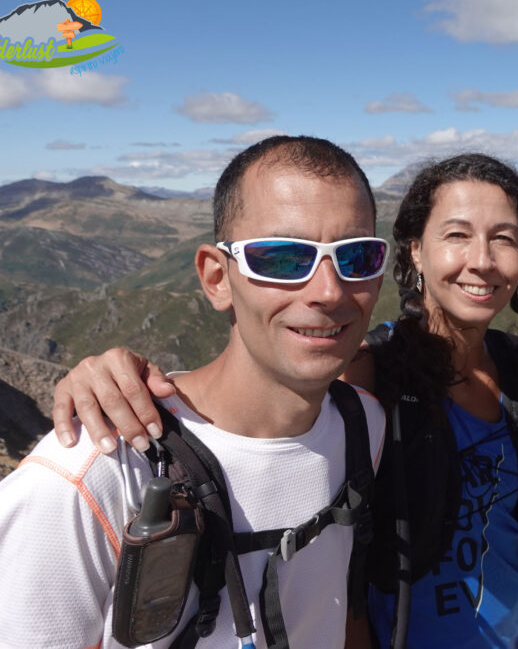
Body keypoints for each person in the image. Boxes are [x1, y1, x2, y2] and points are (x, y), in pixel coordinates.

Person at [48, 153, 518, 648]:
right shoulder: (366, 373)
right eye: (456, 235)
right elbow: (254, 403)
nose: (481, 259)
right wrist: (114, 376)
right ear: (412, 252)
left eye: (503, 240)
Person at [0, 135, 387, 648]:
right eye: (282, 258)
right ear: (216, 278)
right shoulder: (95, 473)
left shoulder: (365, 426)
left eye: (357, 257)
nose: (329, 290)